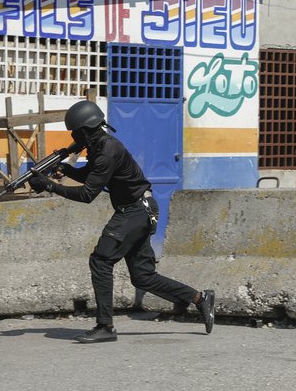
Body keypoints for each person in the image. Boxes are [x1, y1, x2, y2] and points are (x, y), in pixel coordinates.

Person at [27, 100, 215, 343]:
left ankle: (105, 326)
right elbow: (91, 175)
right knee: (143, 277)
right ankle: (200, 298)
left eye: (75, 132)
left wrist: (50, 186)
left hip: (135, 212)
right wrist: (64, 169)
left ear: (84, 130)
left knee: (101, 260)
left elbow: (87, 194)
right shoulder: (100, 147)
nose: (73, 137)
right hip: (141, 210)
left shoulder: (106, 150)